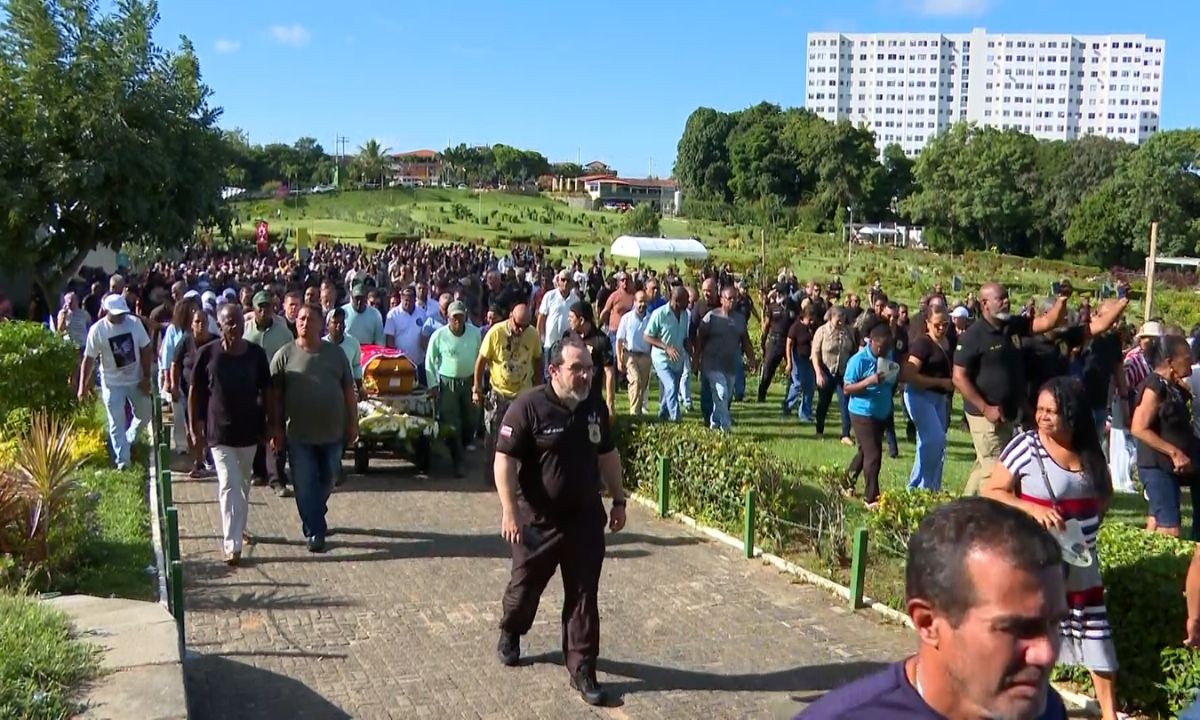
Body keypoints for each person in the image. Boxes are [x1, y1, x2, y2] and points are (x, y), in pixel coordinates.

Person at [797, 497, 1069, 720]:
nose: (1046, 654)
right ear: (927, 622)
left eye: (1055, 624)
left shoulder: (1046, 710)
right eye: (1016, 628)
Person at [493, 338, 627, 706]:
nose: (586, 375)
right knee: (524, 591)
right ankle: (511, 630)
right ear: (553, 371)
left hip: (584, 519)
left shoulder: (594, 407)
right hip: (536, 522)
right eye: (577, 369)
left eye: (589, 368)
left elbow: (608, 455)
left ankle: (582, 668)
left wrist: (618, 499)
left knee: (584, 595)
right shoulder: (528, 407)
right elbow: (504, 460)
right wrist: (509, 510)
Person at [983, 376, 1119, 720]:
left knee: (1095, 631)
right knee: (1031, 630)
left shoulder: (1090, 450)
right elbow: (993, 490)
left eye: (1051, 411)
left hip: (1082, 559)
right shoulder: (1026, 446)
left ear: (1071, 414)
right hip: (1036, 560)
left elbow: (1105, 494)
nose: (1042, 417)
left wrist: (1084, 529)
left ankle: (1109, 713)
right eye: (1040, 409)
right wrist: (1033, 509)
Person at [954, 282, 1070, 495]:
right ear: (985, 304)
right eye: (1001, 298)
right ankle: (990, 519)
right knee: (995, 469)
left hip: (1007, 412)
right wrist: (985, 408)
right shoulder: (973, 336)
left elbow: (1048, 322)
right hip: (984, 415)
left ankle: (964, 505)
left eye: (1007, 297)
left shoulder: (1013, 326)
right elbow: (959, 377)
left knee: (987, 463)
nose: (1007, 302)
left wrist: (1062, 299)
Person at [188, 305, 273, 567]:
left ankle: (239, 529)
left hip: (248, 432)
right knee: (228, 484)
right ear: (220, 325)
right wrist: (195, 428)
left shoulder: (255, 355)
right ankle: (231, 544)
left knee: (243, 486)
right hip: (219, 433)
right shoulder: (207, 355)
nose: (233, 328)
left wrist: (270, 425)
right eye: (228, 323)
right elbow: (195, 393)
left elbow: (268, 392)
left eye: (237, 323)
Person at [270, 304, 358, 553]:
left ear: (321, 324)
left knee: (329, 478)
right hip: (299, 434)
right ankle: (315, 531)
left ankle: (315, 512)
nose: (304, 323)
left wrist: (353, 422)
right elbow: (274, 397)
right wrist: (275, 428)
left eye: (310, 319)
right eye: (300, 318)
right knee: (305, 482)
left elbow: (348, 392)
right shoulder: (284, 356)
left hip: (333, 433)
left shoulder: (336, 354)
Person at [1131, 334, 1198, 538]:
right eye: (1186, 357)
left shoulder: (1173, 386)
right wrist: (1175, 452)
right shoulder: (1155, 386)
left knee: (1156, 523)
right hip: (1157, 467)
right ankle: (1162, 567)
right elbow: (1138, 427)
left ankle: (1144, 564)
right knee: (1169, 529)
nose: (1192, 361)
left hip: (1171, 468)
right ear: (1170, 362)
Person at [79, 294, 153, 471]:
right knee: (116, 421)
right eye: (116, 314)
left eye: (122, 313)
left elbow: (146, 349)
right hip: (112, 383)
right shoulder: (98, 330)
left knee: (145, 413)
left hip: (135, 379)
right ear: (106, 311)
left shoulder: (134, 324)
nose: (120, 317)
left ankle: (129, 439)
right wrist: (82, 387)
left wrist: (146, 377)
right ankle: (123, 461)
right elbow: (88, 360)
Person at [474, 304, 541, 485]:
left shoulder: (533, 334)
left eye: (525, 326)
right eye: (518, 324)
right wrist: (476, 388)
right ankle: (492, 476)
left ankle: (519, 477)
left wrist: (538, 389)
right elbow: (481, 361)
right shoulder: (496, 332)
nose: (520, 330)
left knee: (523, 437)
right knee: (493, 436)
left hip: (523, 395)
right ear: (510, 316)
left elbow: (537, 361)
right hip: (498, 393)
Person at [243, 291, 294, 497]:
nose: (264, 311)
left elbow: (291, 357)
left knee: (276, 430)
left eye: (268, 307)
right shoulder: (246, 332)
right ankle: (259, 472)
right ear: (254, 309)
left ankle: (277, 478)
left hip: (276, 387)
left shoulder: (284, 333)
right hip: (252, 388)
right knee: (256, 431)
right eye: (260, 307)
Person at [843, 323, 899, 507]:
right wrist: (869, 380)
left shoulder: (887, 355)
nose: (885, 349)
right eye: (882, 346)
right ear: (872, 342)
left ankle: (846, 481)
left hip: (881, 412)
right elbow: (847, 388)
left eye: (888, 345)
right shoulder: (858, 360)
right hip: (862, 412)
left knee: (866, 450)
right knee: (874, 455)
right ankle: (871, 498)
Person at [426, 301, 482, 477]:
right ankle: (457, 461)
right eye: (454, 318)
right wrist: (432, 385)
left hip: (469, 382)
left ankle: (463, 447)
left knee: (471, 420)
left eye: (461, 317)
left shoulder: (475, 333)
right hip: (448, 383)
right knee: (452, 423)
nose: (458, 321)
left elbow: (481, 358)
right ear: (448, 318)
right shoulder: (439, 335)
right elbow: (429, 360)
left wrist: (478, 383)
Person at [902, 307, 955, 491]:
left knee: (934, 444)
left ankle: (931, 487)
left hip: (939, 399)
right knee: (934, 439)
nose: (941, 328)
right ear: (927, 323)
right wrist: (940, 382)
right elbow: (909, 374)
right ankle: (921, 486)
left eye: (945, 324)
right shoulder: (922, 344)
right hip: (919, 396)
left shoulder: (948, 341)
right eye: (937, 324)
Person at [696, 285, 757, 432]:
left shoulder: (740, 319)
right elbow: (700, 338)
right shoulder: (711, 317)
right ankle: (726, 426)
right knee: (721, 393)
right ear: (722, 300)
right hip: (712, 364)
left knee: (726, 396)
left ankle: (714, 423)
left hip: (729, 365)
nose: (732, 302)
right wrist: (696, 359)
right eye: (728, 299)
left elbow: (745, 341)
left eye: (734, 299)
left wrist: (752, 359)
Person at [171, 307, 216, 478]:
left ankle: (209, 457)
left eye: (203, 322)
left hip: (211, 393)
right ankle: (197, 462)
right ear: (192, 324)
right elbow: (175, 364)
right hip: (188, 393)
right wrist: (174, 385)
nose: (200, 325)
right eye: (197, 322)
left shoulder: (214, 342)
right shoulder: (185, 341)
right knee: (193, 428)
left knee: (209, 427)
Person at [643, 286, 691, 422]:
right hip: (662, 358)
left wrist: (689, 348)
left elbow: (684, 336)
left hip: (678, 358)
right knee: (670, 386)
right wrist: (666, 347)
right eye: (686, 300)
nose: (689, 303)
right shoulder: (659, 314)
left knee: (673, 389)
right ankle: (676, 418)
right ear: (676, 301)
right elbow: (647, 336)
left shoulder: (685, 314)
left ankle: (663, 414)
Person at [811, 306, 857, 444]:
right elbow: (815, 353)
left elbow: (853, 351)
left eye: (843, 318)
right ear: (831, 317)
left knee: (845, 402)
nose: (841, 321)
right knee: (824, 402)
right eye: (838, 318)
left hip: (843, 373)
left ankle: (845, 434)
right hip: (826, 371)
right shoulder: (822, 331)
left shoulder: (848, 332)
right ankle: (819, 430)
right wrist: (818, 373)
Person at [564, 301, 615, 417]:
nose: (569, 320)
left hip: (593, 397)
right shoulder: (568, 336)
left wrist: (610, 403)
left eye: (571, 317)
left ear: (581, 320)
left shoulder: (601, 340)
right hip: (571, 397)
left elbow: (609, 372)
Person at [615, 290, 653, 415]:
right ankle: (634, 414)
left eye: (645, 301)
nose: (642, 304)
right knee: (635, 382)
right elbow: (619, 340)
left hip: (645, 356)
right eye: (640, 301)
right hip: (630, 355)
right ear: (635, 302)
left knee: (642, 387)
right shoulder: (627, 318)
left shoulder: (650, 318)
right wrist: (620, 360)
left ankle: (638, 413)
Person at [536, 269, 579, 379]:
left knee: (563, 373)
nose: (565, 283)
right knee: (548, 373)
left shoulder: (575, 300)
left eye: (568, 281)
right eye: (563, 280)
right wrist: (539, 337)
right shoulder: (550, 296)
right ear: (558, 281)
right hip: (549, 342)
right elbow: (541, 317)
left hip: (566, 344)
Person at [757, 283, 795, 403]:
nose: (779, 295)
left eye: (781, 292)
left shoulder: (793, 306)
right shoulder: (772, 307)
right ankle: (761, 396)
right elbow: (766, 326)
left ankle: (789, 400)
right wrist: (763, 342)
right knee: (768, 370)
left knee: (793, 371)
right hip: (774, 341)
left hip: (789, 341)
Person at [783, 305, 819, 422]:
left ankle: (805, 413)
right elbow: (788, 344)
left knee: (810, 386)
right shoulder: (796, 327)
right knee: (797, 384)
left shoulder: (812, 327)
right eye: (810, 319)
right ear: (804, 317)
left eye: (813, 319)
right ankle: (787, 407)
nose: (812, 321)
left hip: (809, 360)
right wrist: (789, 362)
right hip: (797, 359)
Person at [385, 287, 426, 384]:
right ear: (401, 298)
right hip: (400, 364)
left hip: (419, 363)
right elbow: (389, 341)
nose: (408, 303)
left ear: (415, 299)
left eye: (411, 300)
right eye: (406, 300)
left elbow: (425, 335)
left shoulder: (422, 313)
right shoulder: (392, 315)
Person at [340, 281, 385, 347]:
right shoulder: (343, 312)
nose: (359, 302)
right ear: (352, 297)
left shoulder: (375, 314)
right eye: (357, 299)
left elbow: (380, 341)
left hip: (368, 352)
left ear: (366, 298)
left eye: (362, 299)